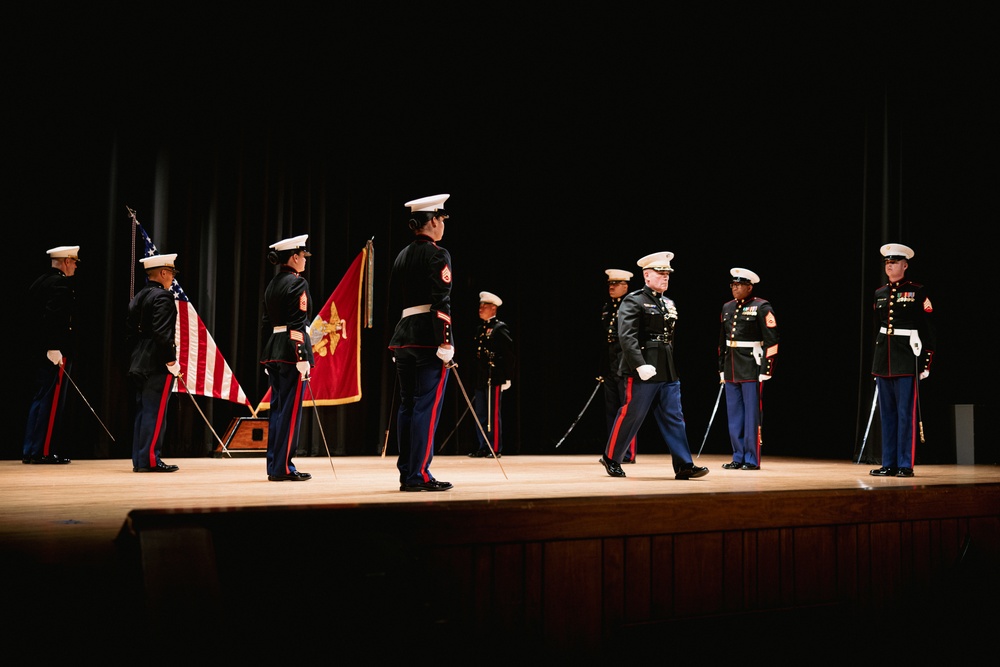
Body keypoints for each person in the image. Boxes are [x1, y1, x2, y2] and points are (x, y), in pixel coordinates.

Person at [600, 251, 709, 480]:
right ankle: (611, 458)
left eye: (667, 273)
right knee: (633, 414)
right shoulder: (634, 299)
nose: (665, 277)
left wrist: (668, 364)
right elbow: (626, 337)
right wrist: (639, 364)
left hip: (666, 367)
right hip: (642, 368)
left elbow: (669, 337)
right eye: (660, 273)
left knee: (674, 416)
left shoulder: (668, 302)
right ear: (647, 276)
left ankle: (683, 465)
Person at [387, 194, 455, 492]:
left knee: (407, 406)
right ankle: (419, 475)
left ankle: (407, 472)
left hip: (403, 337)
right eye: (441, 219)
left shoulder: (401, 255)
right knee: (426, 407)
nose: (442, 225)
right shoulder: (438, 254)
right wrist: (446, 340)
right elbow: (441, 301)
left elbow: (393, 301)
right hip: (428, 337)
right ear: (434, 221)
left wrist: (396, 339)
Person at [870, 243, 935, 478]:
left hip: (907, 358)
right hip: (884, 359)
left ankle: (905, 464)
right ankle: (889, 462)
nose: (890, 265)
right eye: (887, 262)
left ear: (905, 265)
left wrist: (925, 362)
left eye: (894, 262)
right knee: (886, 415)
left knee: (905, 414)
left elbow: (928, 329)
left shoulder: (917, 291)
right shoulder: (879, 293)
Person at [260, 234, 314, 482]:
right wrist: (301, 355)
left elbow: (266, 324)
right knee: (290, 412)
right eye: (303, 256)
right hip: (291, 352)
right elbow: (296, 323)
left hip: (274, 350)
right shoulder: (297, 283)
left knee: (278, 410)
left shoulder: (272, 284)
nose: (305, 261)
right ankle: (283, 467)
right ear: (294, 257)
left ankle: (274, 464)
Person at [22, 245, 80, 465]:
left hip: (38, 350)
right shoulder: (60, 284)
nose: (75, 266)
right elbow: (54, 318)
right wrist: (54, 346)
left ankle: (31, 449)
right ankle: (43, 451)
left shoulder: (40, 282)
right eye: (74, 261)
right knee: (49, 401)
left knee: (40, 399)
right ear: (66, 261)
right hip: (53, 352)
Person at [718, 267, 779, 471]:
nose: (735, 288)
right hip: (731, 366)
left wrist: (766, 369)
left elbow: (772, 340)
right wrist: (721, 369)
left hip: (752, 365)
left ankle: (751, 459)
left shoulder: (761, 306)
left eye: (739, 285)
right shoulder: (727, 307)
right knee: (734, 416)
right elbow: (722, 341)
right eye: (732, 285)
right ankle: (738, 456)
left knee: (751, 415)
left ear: (749, 287)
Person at [126, 253, 181, 473]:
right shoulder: (163, 298)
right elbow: (162, 334)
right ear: (164, 273)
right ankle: (150, 459)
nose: (172, 279)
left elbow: (130, 333)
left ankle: (140, 459)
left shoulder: (139, 296)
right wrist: (171, 361)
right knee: (154, 412)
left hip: (139, 359)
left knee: (143, 411)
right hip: (156, 362)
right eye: (171, 274)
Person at [468, 291, 515, 458]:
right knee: (480, 413)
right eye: (480, 306)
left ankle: (494, 447)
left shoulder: (499, 328)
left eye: (485, 306)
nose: (481, 309)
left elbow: (508, 355)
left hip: (494, 377)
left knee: (492, 415)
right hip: (481, 378)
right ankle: (482, 445)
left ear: (493, 308)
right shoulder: (480, 329)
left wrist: (507, 377)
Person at [601, 269, 638, 463]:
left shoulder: (631, 305)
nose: (612, 287)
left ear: (626, 286)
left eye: (616, 284)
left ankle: (627, 453)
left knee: (626, 411)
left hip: (625, 366)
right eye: (610, 284)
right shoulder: (608, 306)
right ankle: (612, 452)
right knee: (611, 410)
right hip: (610, 366)